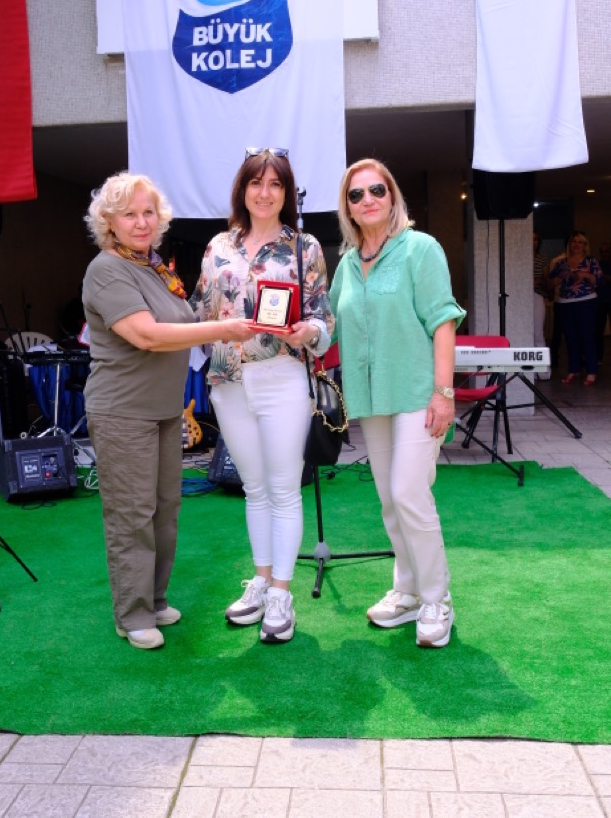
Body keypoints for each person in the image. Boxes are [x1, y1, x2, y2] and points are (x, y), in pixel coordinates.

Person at [82, 171, 254, 651]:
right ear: (109, 222)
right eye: (129, 214)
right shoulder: (107, 269)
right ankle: (132, 614)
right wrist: (223, 330)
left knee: (164, 510)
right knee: (132, 514)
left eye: (148, 212)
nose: (142, 222)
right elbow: (147, 335)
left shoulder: (154, 266)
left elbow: (184, 319)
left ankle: (154, 600)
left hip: (162, 409)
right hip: (123, 411)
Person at [190, 148, 334, 644]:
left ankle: (281, 594)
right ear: (243, 190)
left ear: (287, 193)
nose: (265, 192)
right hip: (228, 382)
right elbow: (199, 310)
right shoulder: (218, 247)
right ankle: (261, 579)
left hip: (281, 378)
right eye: (256, 183)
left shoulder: (305, 246)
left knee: (284, 488)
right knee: (254, 488)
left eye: (275, 184)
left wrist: (307, 331)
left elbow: (324, 318)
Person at [330, 159, 465, 649]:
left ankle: (436, 599)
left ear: (392, 197)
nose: (367, 199)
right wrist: (302, 331)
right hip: (371, 398)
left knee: (409, 492)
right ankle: (407, 591)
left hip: (416, 393)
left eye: (376, 190)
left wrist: (444, 393)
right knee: (390, 498)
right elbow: (330, 325)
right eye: (356, 194)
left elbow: (443, 322)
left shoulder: (420, 248)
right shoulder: (347, 264)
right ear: (347, 207)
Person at [548, 231, 603, 386]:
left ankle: (591, 371)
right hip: (565, 302)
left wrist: (585, 276)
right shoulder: (561, 262)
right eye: (574, 241)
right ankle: (573, 369)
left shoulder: (590, 261)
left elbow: (599, 280)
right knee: (570, 336)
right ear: (569, 244)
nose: (577, 245)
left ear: (585, 245)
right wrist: (554, 281)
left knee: (586, 335)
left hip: (586, 300)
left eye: (580, 242)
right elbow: (550, 282)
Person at [532, 232, 551, 380]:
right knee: (523, 333)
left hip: (537, 295)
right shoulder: (519, 256)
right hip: (520, 298)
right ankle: (529, 370)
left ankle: (543, 370)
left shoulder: (542, 258)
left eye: (536, 239)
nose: (533, 242)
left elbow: (547, 279)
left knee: (538, 333)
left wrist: (538, 281)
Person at [594, 240, 611, 365]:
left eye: (607, 251)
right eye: (602, 252)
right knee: (598, 330)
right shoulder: (598, 265)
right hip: (600, 301)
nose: (604, 254)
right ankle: (598, 357)